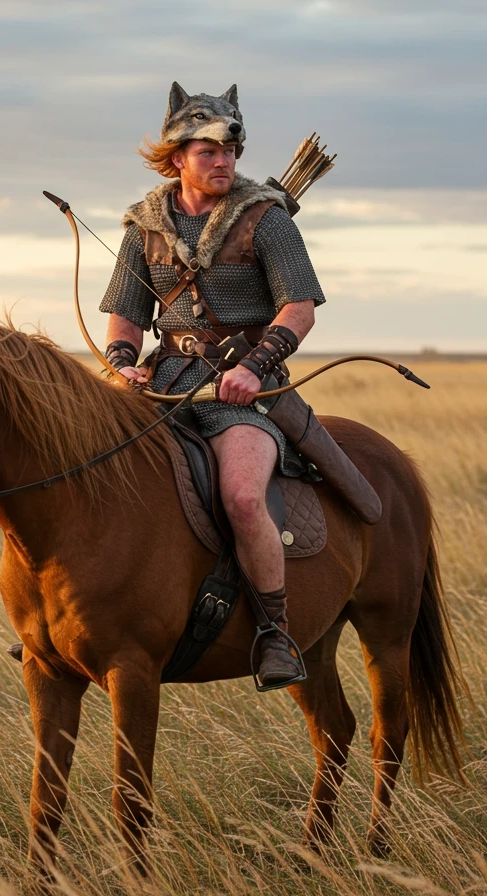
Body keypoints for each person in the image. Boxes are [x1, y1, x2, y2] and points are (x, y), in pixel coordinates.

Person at [98, 82, 326, 688]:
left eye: (230, 151)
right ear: (177, 158)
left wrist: (254, 367)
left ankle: (275, 634)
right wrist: (122, 364)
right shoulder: (143, 225)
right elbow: (126, 315)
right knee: (92, 470)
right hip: (164, 383)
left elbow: (299, 308)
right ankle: (77, 616)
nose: (223, 161)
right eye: (209, 152)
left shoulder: (266, 218)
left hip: (245, 389)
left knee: (245, 498)